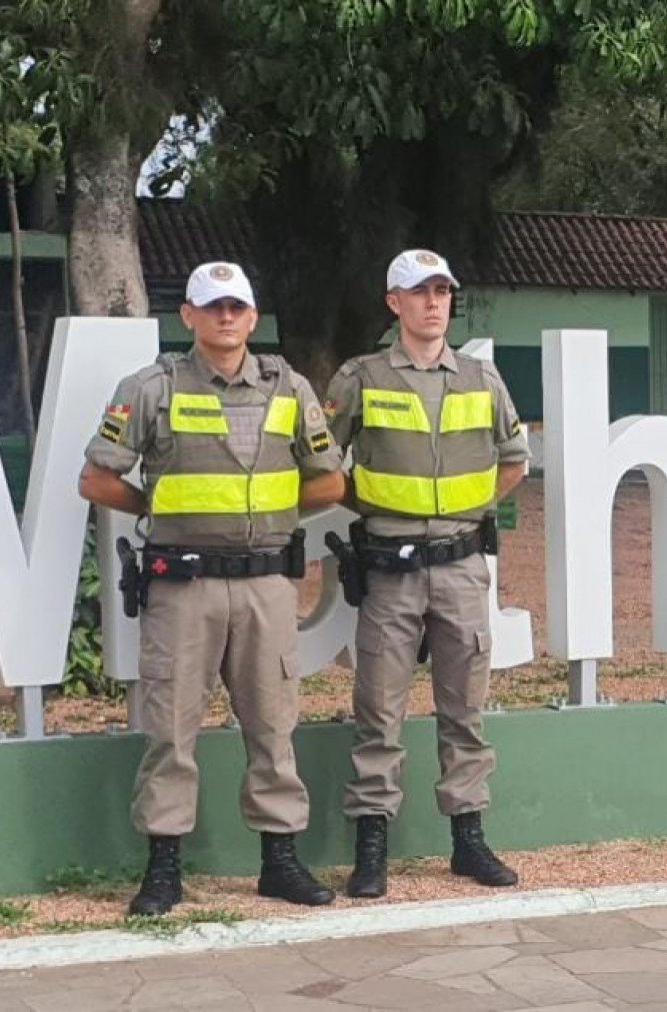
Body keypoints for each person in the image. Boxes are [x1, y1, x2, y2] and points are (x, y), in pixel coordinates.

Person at [78, 261, 346, 916]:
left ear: (252, 318)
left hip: (265, 584)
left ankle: (279, 863)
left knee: (274, 725)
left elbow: (329, 481)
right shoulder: (151, 388)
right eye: (212, 307)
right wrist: (159, 508)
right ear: (189, 317)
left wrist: (276, 519)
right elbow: (97, 479)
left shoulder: (289, 388)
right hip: (183, 585)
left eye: (237, 308)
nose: (226, 318)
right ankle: (164, 868)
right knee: (170, 728)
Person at [322, 249, 530, 898]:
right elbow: (329, 470)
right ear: (395, 303)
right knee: (378, 713)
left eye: (442, 290)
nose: (433, 302)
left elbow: (514, 459)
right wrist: (382, 508)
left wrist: (465, 512)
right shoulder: (360, 378)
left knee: (464, 712)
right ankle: (372, 848)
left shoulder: (480, 379)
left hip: (463, 567)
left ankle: (468, 841)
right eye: (419, 292)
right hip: (390, 570)